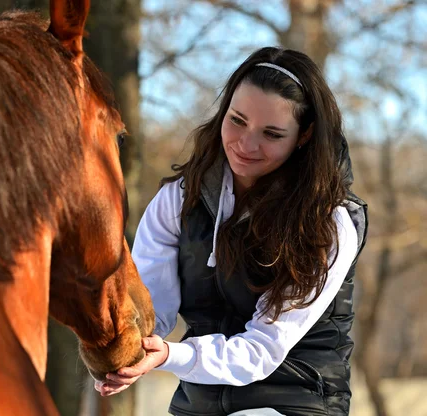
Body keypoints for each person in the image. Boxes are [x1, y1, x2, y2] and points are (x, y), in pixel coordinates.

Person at [94, 46, 368, 416]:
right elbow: (149, 308)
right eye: (237, 120)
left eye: (271, 134)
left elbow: (262, 349)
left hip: (296, 396)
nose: (245, 144)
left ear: (304, 135)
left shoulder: (328, 225)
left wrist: (172, 355)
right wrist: (126, 349)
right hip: (200, 399)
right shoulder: (177, 200)